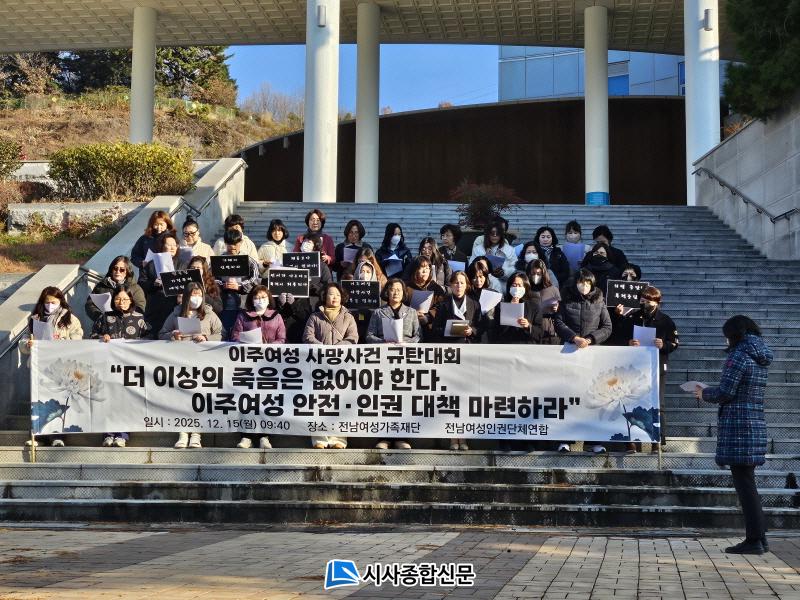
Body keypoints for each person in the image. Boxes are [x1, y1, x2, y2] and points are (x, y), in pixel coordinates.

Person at [695, 316, 772, 555]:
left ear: (734, 334)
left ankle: (754, 540)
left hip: (738, 427)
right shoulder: (759, 355)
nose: (726, 340)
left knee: (745, 486)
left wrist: (704, 393)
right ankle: (760, 538)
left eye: (727, 336)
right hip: (753, 423)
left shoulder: (738, 355)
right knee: (748, 483)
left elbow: (726, 392)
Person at [553, 269, 612, 453]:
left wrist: (591, 339)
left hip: (592, 354)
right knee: (567, 396)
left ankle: (594, 441)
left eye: (587, 283)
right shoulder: (566, 299)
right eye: (581, 282)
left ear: (592, 284)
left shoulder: (599, 300)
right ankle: (565, 439)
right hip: (569, 352)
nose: (584, 286)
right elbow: (558, 322)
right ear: (576, 283)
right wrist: (574, 337)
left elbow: (607, 326)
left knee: (593, 397)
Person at [614, 286, 679, 452]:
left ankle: (657, 441)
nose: (645, 304)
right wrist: (628, 342)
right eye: (643, 300)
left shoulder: (666, 320)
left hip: (657, 366)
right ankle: (631, 441)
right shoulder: (633, 317)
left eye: (649, 301)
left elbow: (674, 343)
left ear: (657, 302)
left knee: (657, 403)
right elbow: (619, 336)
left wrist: (663, 344)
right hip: (634, 367)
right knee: (631, 402)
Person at [160, 282, 224, 449]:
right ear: (186, 297)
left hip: (203, 363)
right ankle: (182, 433)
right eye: (193, 295)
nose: (196, 298)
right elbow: (162, 333)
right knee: (182, 398)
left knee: (199, 399)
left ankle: (196, 434)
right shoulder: (175, 314)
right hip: (181, 363)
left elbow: (221, 333)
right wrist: (172, 335)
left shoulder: (209, 313)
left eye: (199, 295)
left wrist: (207, 338)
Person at [20, 287, 84, 447]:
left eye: (54, 302)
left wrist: (61, 343)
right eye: (47, 302)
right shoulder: (35, 318)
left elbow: (78, 339)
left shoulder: (70, 318)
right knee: (39, 401)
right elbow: (24, 339)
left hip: (61, 367)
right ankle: (38, 436)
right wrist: (28, 344)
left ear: (61, 301)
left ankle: (58, 436)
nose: (50, 305)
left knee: (58, 401)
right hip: (40, 366)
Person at [91, 287, 151, 448]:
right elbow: (92, 335)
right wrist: (101, 337)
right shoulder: (105, 317)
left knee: (126, 401)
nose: (121, 302)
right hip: (108, 366)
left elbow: (149, 338)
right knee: (108, 400)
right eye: (118, 299)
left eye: (125, 299)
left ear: (131, 300)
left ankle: (122, 435)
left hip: (130, 367)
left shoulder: (139, 318)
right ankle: (108, 434)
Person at [366, 278, 421, 450]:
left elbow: (418, 336)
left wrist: (407, 343)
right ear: (387, 292)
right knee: (385, 399)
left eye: (399, 289)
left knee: (404, 399)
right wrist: (383, 342)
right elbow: (369, 336)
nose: (396, 292)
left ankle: (402, 437)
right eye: (392, 289)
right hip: (384, 361)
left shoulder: (411, 312)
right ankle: (384, 437)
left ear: (404, 293)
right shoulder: (378, 313)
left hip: (406, 361)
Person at [302, 283, 358, 449]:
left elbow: (353, 338)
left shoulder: (348, 317)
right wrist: (323, 348)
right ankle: (319, 439)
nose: (335, 298)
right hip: (319, 364)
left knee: (339, 401)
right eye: (331, 294)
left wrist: (337, 349)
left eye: (338, 295)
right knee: (318, 401)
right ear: (324, 296)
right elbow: (307, 337)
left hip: (341, 364)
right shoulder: (315, 317)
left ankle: (339, 439)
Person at [230, 286, 286, 449]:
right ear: (251, 300)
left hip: (269, 364)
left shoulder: (276, 316)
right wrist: (246, 343)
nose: (260, 300)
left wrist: (269, 347)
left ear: (269, 299)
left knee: (266, 400)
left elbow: (282, 338)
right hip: (247, 364)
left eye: (263, 297)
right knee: (246, 401)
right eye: (256, 297)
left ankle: (264, 436)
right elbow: (235, 336)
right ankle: (246, 436)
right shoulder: (243, 316)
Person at [432, 271, 482, 451]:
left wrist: (472, 331)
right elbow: (435, 329)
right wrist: (449, 330)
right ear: (451, 285)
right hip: (450, 354)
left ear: (467, 285)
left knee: (465, 396)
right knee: (451, 397)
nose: (458, 286)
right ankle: (453, 437)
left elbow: (482, 328)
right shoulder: (444, 305)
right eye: (455, 283)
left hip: (468, 355)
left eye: (462, 283)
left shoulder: (474, 304)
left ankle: (464, 436)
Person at [138, 232, 187, 336]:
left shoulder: (183, 264)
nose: (172, 248)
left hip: (174, 307)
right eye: (169, 245)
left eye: (174, 245)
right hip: (155, 307)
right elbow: (141, 283)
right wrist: (154, 284)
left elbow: (187, 284)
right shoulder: (150, 264)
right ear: (161, 246)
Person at [215, 228, 261, 336]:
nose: (232, 247)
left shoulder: (249, 260)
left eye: (235, 243)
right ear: (225, 243)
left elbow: (256, 279)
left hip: (245, 303)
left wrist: (240, 286)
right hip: (225, 303)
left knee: (244, 332)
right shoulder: (219, 260)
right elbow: (212, 278)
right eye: (229, 244)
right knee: (227, 332)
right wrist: (222, 285)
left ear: (241, 242)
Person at [85, 256, 146, 323]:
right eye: (115, 268)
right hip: (104, 324)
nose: (118, 271)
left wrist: (125, 316)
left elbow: (140, 308)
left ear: (127, 271)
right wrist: (100, 317)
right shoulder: (101, 285)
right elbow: (90, 304)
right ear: (111, 270)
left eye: (122, 270)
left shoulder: (135, 288)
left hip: (127, 325)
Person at [490, 272, 543, 345]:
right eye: (514, 285)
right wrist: (510, 308)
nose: (517, 288)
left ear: (525, 287)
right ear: (509, 287)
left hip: (526, 346)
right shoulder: (501, 306)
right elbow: (496, 330)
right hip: (507, 345)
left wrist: (528, 326)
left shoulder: (534, 307)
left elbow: (540, 332)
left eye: (520, 285)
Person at [405, 256, 446, 342]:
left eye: (427, 268)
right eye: (422, 268)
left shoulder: (436, 288)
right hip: (409, 328)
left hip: (430, 329)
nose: (425, 271)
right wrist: (412, 314)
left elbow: (440, 308)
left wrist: (428, 317)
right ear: (415, 270)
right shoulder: (406, 287)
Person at [526, 259, 561, 345]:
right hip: (529, 328)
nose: (536, 276)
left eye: (539, 274)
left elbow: (562, 312)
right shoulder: (525, 289)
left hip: (548, 329)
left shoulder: (553, 289)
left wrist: (557, 308)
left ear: (544, 274)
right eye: (533, 273)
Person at [347, 260, 381, 342]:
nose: (365, 274)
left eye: (368, 272)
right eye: (362, 271)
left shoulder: (378, 292)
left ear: (372, 274)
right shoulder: (349, 290)